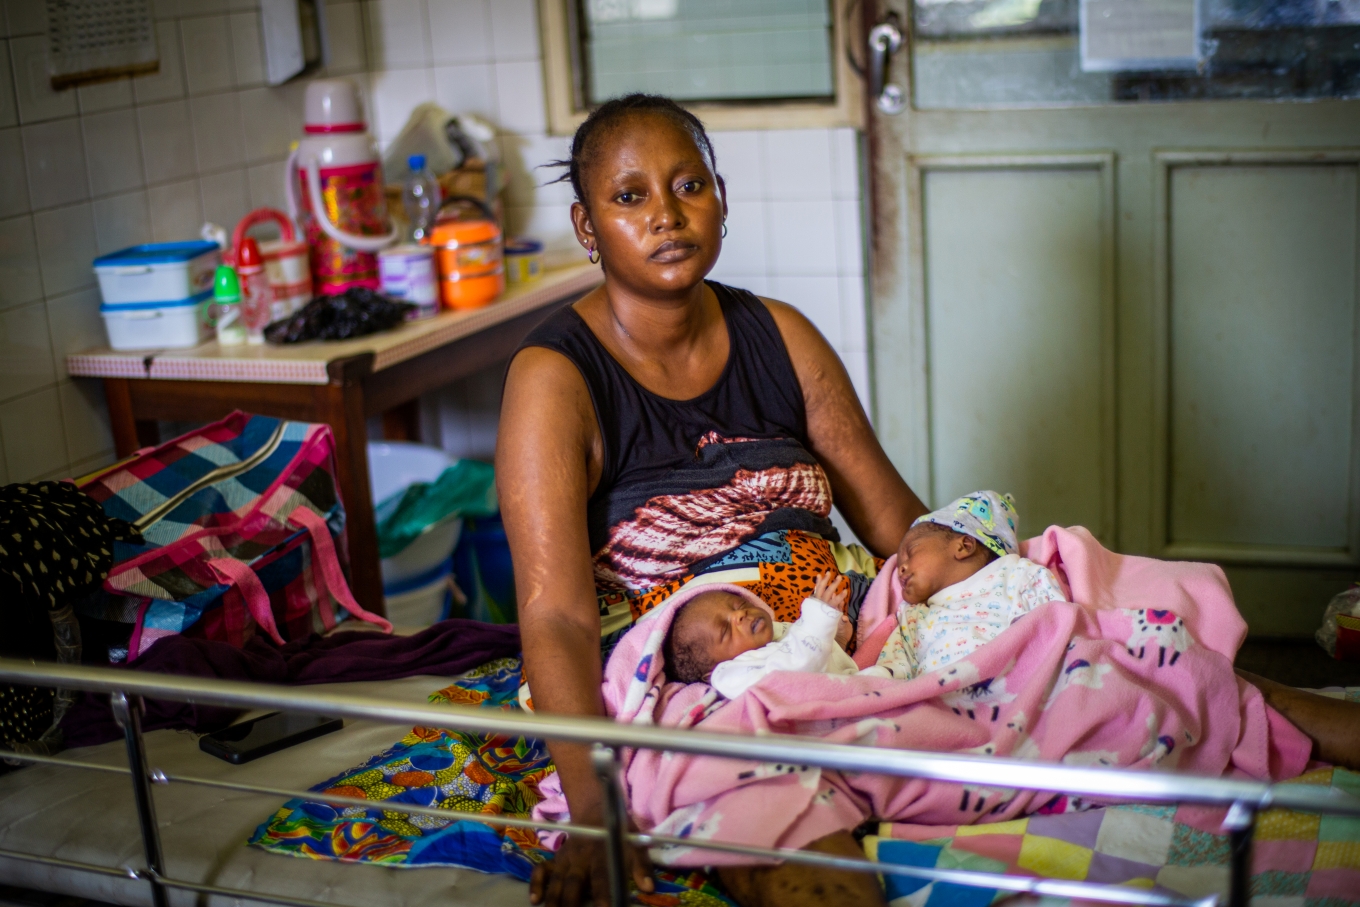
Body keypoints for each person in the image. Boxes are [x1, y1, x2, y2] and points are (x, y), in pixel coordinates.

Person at [496, 92, 925, 907]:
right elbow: (555, 615)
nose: (665, 214)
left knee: (1110, 659)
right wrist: (595, 812)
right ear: (589, 229)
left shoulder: (781, 335)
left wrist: (1012, 588)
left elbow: (895, 521)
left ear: (721, 197)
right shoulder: (555, 380)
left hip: (845, 634)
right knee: (807, 849)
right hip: (708, 684)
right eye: (629, 198)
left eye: (688, 185)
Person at [892, 490, 1066, 675]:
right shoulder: (913, 614)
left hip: (1010, 687)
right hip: (938, 698)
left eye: (911, 552)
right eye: (899, 565)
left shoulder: (1015, 575)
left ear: (964, 546)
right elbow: (895, 667)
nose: (900, 569)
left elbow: (1053, 627)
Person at [664, 571, 860, 698]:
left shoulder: (776, 634)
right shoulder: (728, 677)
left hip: (849, 686)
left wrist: (836, 640)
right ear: (711, 672)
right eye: (725, 630)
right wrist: (817, 618)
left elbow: (810, 652)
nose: (740, 615)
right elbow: (792, 673)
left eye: (740, 605)